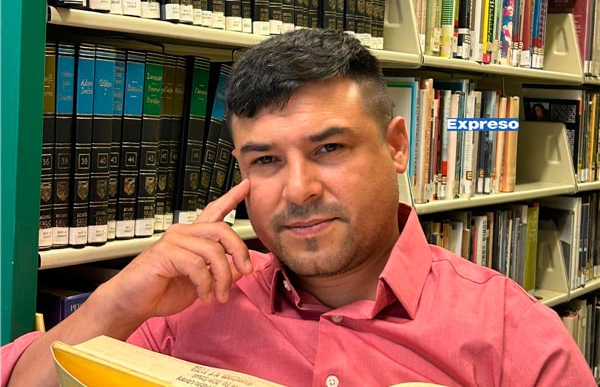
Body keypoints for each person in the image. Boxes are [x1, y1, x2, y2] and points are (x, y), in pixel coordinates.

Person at [2, 29, 596, 387]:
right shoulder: (184, 308)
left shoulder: (513, 336)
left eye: (329, 149)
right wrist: (117, 302)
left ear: (396, 146)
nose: (298, 189)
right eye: (265, 160)